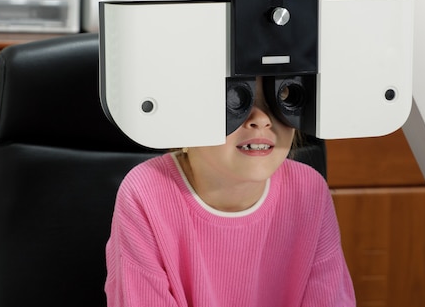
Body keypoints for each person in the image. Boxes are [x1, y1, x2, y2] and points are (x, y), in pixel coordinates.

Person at [105, 77, 356, 307]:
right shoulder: (146, 194)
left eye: (283, 95)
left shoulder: (309, 190)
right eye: (235, 98)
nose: (262, 119)